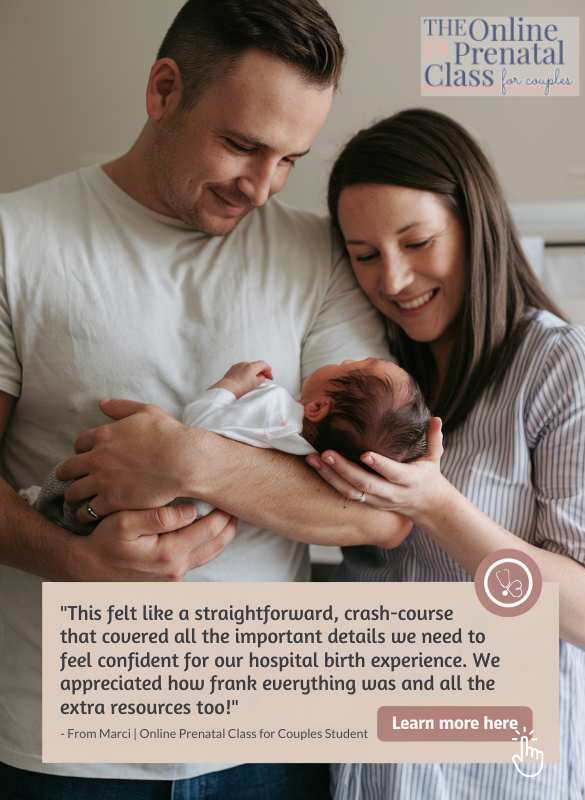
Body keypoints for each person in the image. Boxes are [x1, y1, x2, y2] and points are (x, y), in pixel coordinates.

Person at [0, 2, 411, 798]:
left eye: (291, 158)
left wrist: (188, 458)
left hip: (269, 746)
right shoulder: (18, 240)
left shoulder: (318, 255)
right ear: (163, 91)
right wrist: (75, 562)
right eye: (242, 145)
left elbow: (381, 510)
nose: (262, 187)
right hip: (61, 750)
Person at [303, 107, 585, 799]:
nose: (395, 280)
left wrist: (438, 507)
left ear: (476, 224)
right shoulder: (366, 381)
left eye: (418, 242)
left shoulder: (560, 366)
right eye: (366, 255)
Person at [25, 357, 430, 538]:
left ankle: (38, 502)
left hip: (156, 491)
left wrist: (231, 385)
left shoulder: (274, 405)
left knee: (68, 483)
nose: (342, 358)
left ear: (319, 406)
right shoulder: (310, 461)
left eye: (350, 364)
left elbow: (196, 430)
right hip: (186, 517)